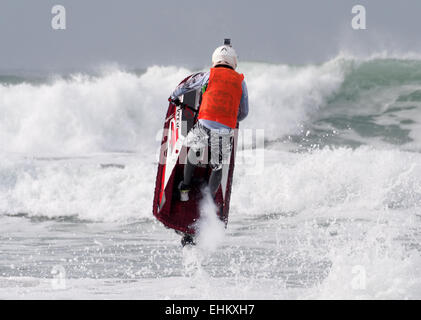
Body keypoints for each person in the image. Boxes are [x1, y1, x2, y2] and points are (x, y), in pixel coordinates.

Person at [169, 40, 249, 204]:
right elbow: (244, 112)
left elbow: (187, 86)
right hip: (226, 128)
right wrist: (233, 120)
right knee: (218, 166)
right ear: (234, 62)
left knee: (193, 151)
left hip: (204, 123)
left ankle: (185, 187)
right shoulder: (241, 81)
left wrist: (173, 97)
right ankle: (208, 202)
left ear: (215, 60)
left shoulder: (208, 75)